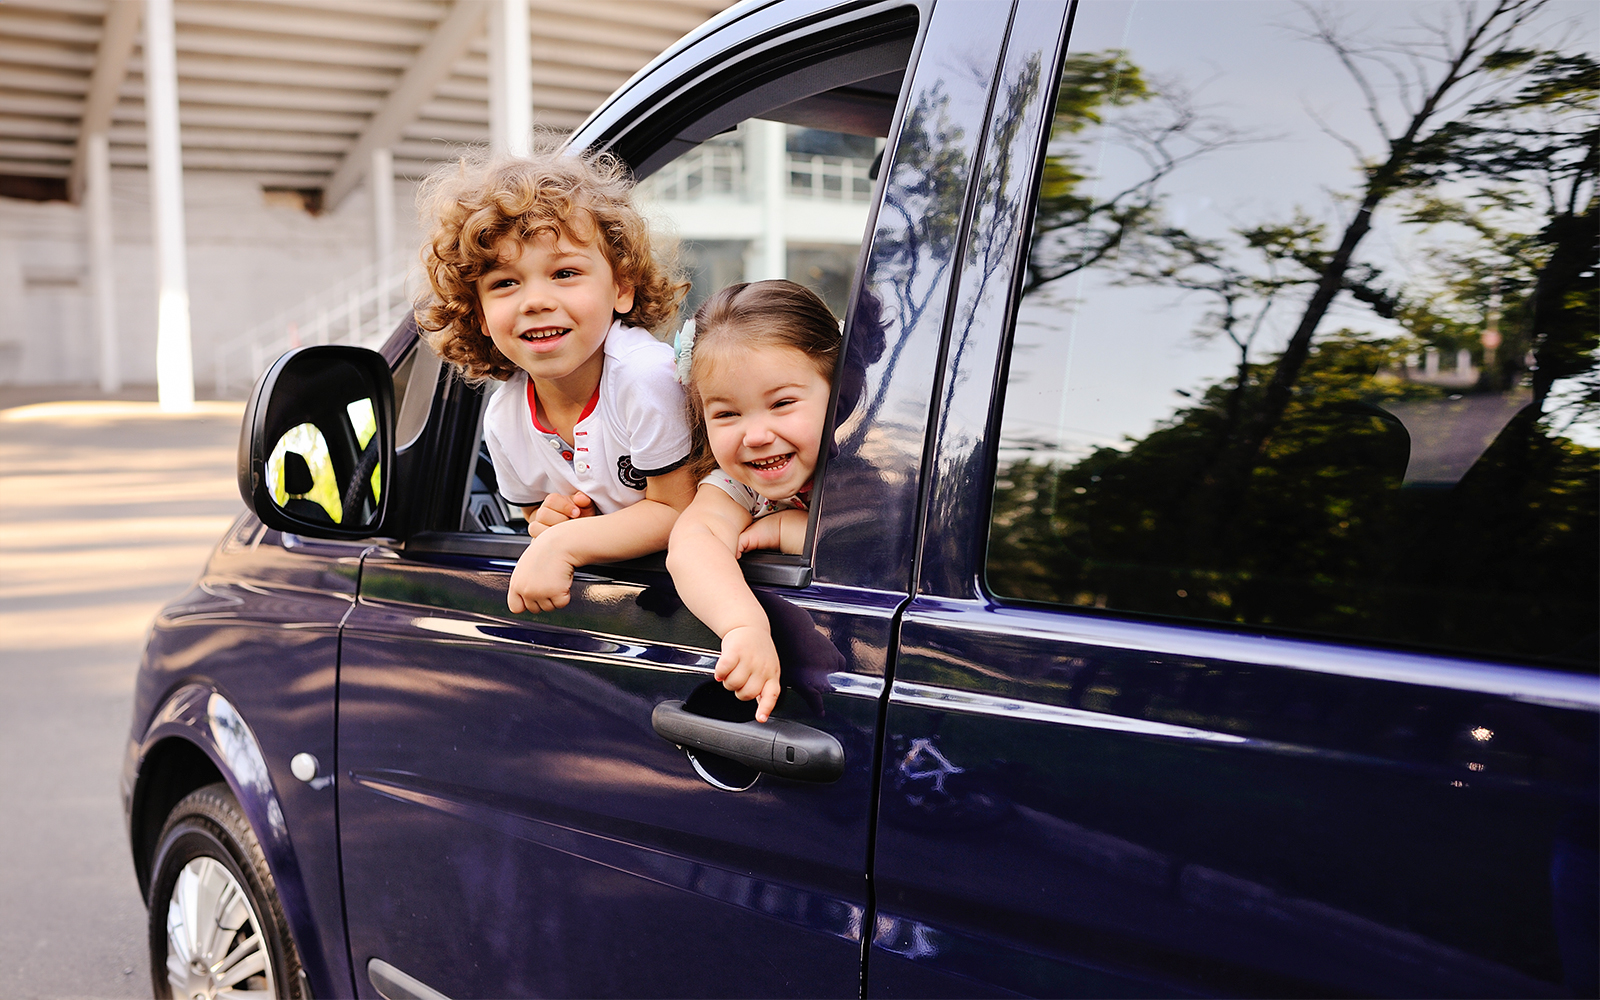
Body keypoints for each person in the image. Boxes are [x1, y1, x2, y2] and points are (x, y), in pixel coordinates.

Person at [417, 146, 697, 614]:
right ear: (479, 314)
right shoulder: (506, 417)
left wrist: (564, 546)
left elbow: (677, 510)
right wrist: (550, 523)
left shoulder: (643, 377)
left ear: (621, 287)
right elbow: (535, 514)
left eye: (564, 272)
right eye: (504, 283)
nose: (536, 300)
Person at [666, 281, 840, 722]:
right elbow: (694, 542)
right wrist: (742, 624)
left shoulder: (868, 474)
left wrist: (789, 529)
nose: (757, 435)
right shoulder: (739, 485)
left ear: (838, 392)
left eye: (781, 403)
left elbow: (878, 547)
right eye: (726, 413)